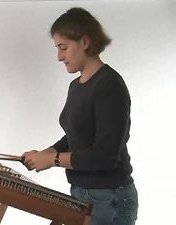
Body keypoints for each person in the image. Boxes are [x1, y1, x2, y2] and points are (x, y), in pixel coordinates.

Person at [22, 7, 138, 225]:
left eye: (63, 48)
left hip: (109, 198)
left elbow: (105, 156)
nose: (59, 57)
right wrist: (48, 151)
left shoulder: (109, 86)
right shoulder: (76, 86)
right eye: (57, 49)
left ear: (85, 42)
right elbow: (76, 135)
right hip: (83, 195)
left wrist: (53, 160)